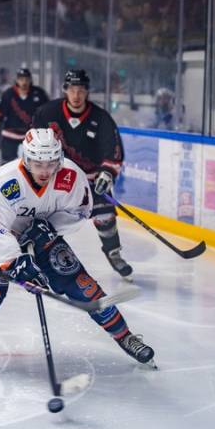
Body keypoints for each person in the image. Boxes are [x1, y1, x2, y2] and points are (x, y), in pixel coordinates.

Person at [0, 128, 154, 382]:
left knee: (84, 287)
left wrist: (45, 230)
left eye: (51, 164)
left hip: (44, 237)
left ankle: (126, 337)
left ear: (60, 160)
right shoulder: (4, 182)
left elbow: (79, 211)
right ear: (26, 158)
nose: (44, 171)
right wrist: (14, 260)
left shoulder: (71, 177)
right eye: (37, 163)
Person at [32, 69, 133, 280]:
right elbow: (31, 140)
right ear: (65, 90)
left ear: (87, 91)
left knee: (105, 216)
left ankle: (113, 254)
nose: (76, 95)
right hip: (57, 178)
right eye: (71, 89)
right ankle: (39, 258)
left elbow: (114, 153)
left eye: (80, 90)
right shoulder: (47, 113)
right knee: (44, 217)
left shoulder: (101, 118)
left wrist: (106, 174)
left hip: (91, 180)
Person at [0, 67, 50, 163]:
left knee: (34, 164)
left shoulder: (39, 93)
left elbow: (47, 112)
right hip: (10, 134)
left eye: (26, 79)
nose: (24, 82)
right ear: (16, 80)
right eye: (21, 79)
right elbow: (0, 112)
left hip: (32, 135)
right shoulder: (8, 94)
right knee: (6, 163)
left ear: (30, 80)